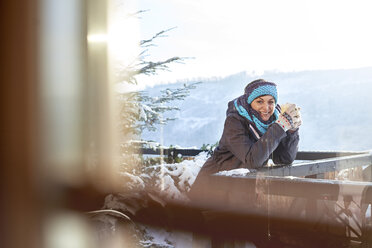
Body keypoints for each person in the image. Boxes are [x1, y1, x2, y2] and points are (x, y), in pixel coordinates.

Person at [190, 79, 302, 193]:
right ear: (250, 102)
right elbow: (252, 160)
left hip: (240, 191)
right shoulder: (234, 121)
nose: (266, 108)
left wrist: (292, 131)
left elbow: (283, 159)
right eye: (259, 101)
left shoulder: (275, 121)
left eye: (271, 102)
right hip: (213, 188)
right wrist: (280, 127)